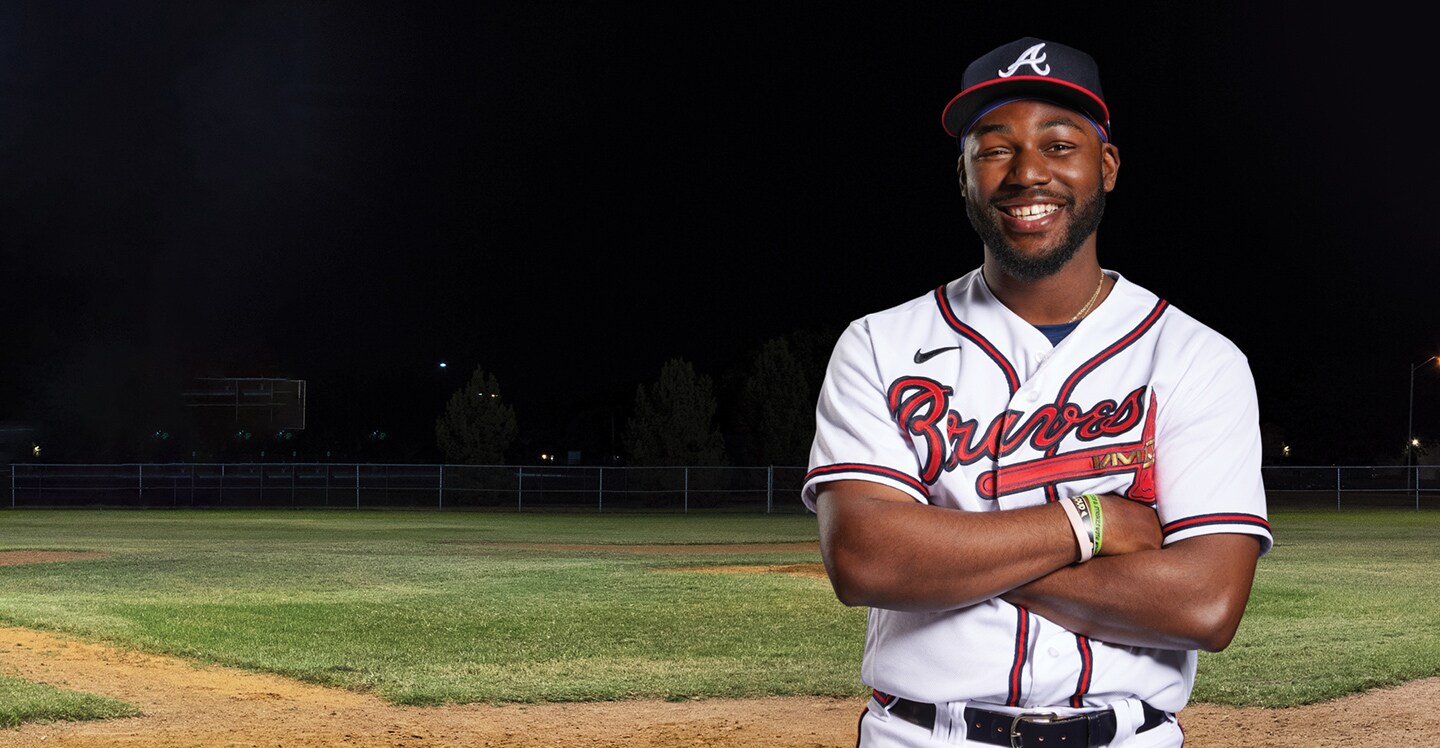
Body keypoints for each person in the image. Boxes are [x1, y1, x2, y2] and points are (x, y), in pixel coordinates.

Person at [802, 37, 1272, 748]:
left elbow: (1205, 605)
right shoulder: (879, 344)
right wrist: (1092, 525)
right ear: (962, 175)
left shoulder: (1197, 359)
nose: (1027, 173)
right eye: (994, 149)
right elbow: (866, 560)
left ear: (1105, 166)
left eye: (1058, 145)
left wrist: (945, 560)